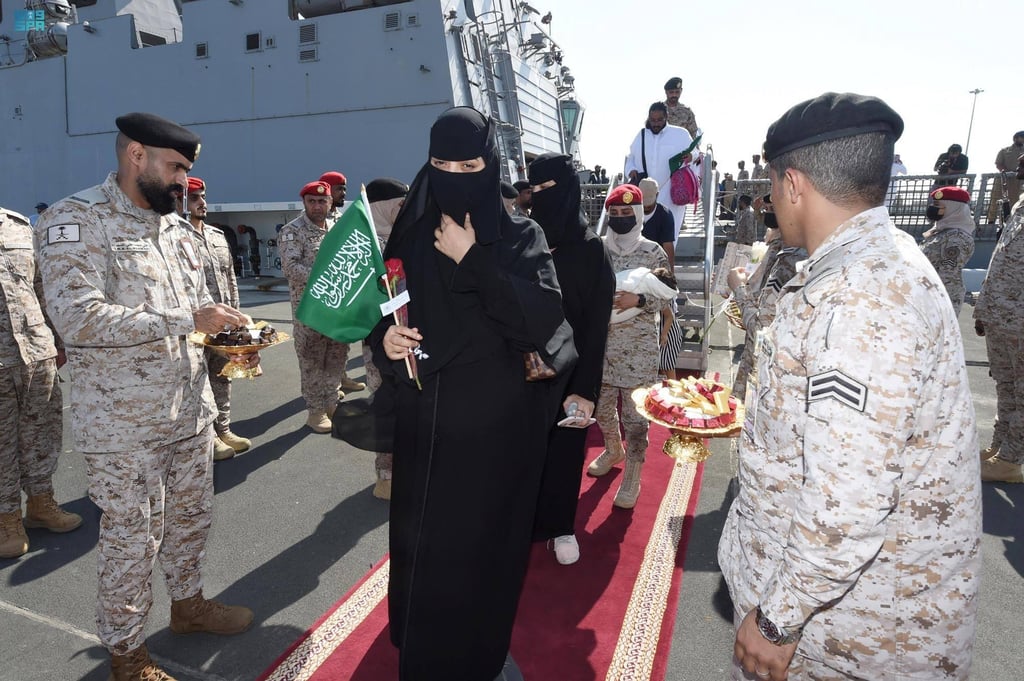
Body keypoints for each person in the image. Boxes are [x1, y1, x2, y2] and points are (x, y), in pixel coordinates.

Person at [718, 93, 982, 681]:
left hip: (847, 641)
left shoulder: (861, 301)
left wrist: (776, 621)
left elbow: (847, 504)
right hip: (843, 621)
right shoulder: (881, 263)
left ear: (792, 184)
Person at [35, 112, 256, 681]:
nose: (183, 181)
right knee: (132, 540)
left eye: (188, 170)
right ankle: (127, 654)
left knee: (191, 520)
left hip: (188, 410)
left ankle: (188, 606)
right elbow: (77, 317)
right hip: (122, 425)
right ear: (136, 154)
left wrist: (231, 333)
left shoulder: (178, 230)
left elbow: (199, 312)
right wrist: (188, 318)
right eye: (176, 166)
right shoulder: (75, 220)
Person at [371, 106, 575, 680]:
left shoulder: (520, 235)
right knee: (423, 542)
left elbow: (539, 323)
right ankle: (419, 645)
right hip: (425, 422)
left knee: (479, 548)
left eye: (470, 163)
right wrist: (386, 338)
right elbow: (387, 304)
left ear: (491, 164)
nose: (455, 175)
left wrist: (473, 259)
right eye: (442, 164)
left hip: (492, 429)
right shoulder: (411, 232)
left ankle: (474, 657)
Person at [528, 151, 614, 566]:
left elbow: (597, 329)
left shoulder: (591, 251)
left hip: (571, 373)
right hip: (522, 372)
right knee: (522, 452)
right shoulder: (522, 241)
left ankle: (561, 525)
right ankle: (522, 524)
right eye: (536, 189)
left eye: (551, 188)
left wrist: (585, 389)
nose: (543, 197)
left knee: (564, 451)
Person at [0, 206, 81, 559]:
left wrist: (58, 339)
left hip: (35, 349)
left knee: (43, 430)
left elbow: (40, 285)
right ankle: (6, 517)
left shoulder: (16, 225)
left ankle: (40, 502)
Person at [587, 184, 669, 509]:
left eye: (627, 213)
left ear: (637, 214)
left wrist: (641, 299)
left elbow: (668, 294)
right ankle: (612, 448)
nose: (620, 218)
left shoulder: (653, 252)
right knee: (602, 410)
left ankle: (633, 471)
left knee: (635, 419)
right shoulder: (597, 248)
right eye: (615, 213)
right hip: (602, 348)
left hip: (638, 351)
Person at [280, 181, 361, 434]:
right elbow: (291, 268)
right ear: (304, 203)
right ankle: (315, 411)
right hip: (309, 313)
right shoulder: (292, 231)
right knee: (312, 362)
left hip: (337, 311)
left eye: (322, 201)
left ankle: (332, 404)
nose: (317, 206)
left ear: (330, 202)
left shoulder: (338, 228)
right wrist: (326, 278)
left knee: (336, 358)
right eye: (312, 201)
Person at [183, 177, 251, 460]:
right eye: (195, 197)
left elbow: (230, 278)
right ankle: (207, 438)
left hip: (224, 324)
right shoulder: (176, 236)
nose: (202, 202)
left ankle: (223, 429)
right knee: (198, 382)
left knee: (223, 377)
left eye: (203, 196)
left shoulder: (216, 235)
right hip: (196, 325)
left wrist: (237, 315)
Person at [974, 151, 1024, 484]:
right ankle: (999, 448)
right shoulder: (1020, 206)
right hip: (1001, 316)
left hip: (1019, 320)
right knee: (1006, 388)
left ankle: (1011, 459)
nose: (1018, 163)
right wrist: (984, 309)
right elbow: (1001, 262)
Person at [727, 195, 805, 400]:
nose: (767, 208)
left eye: (773, 205)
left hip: (766, 381)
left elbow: (762, 328)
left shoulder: (792, 259)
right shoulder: (783, 249)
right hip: (759, 369)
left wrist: (739, 290)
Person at [363, 176, 409, 500]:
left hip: (406, 336)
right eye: (399, 203)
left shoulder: (400, 239)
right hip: (377, 343)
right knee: (384, 405)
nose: (403, 209)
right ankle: (386, 476)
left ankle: (404, 467)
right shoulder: (364, 244)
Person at [625, 101, 695, 239]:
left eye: (659, 120)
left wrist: (692, 156)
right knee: (645, 232)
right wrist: (631, 169)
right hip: (647, 192)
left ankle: (668, 260)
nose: (656, 124)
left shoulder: (680, 134)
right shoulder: (642, 135)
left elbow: (696, 153)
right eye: (652, 120)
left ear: (666, 117)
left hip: (671, 191)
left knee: (670, 232)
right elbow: (630, 157)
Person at [920, 186, 975, 317]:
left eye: (937, 205)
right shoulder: (941, 232)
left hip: (937, 304)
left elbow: (948, 276)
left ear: (953, 207)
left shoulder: (956, 237)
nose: (933, 208)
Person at [988, 131, 1024, 223]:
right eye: (1022, 137)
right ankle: (991, 221)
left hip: (1018, 181)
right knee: (996, 200)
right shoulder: (1005, 151)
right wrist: (1007, 172)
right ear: (1015, 138)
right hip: (1003, 179)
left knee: (1016, 201)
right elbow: (998, 163)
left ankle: (1011, 222)